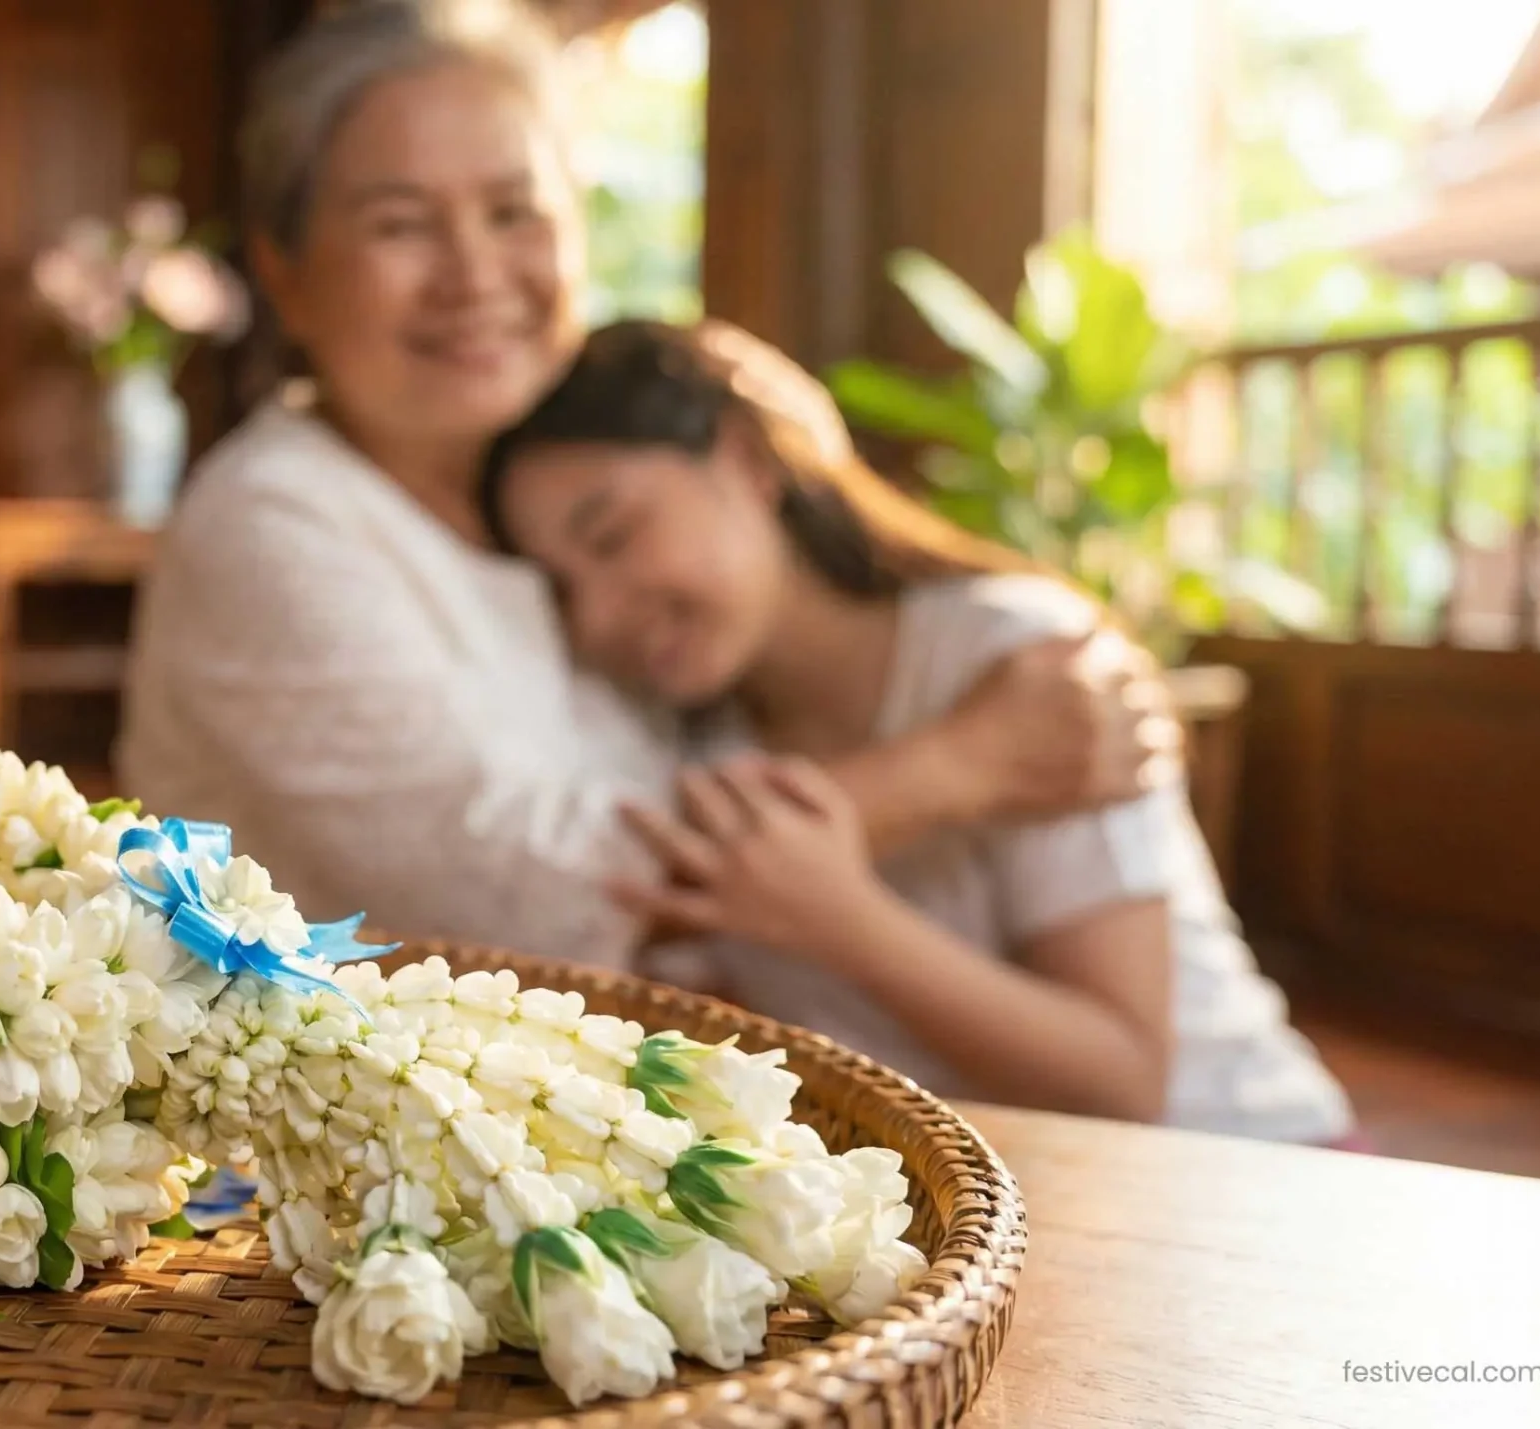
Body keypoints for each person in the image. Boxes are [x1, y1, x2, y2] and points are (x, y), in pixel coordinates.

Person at [119, 0, 1165, 980]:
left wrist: (1049, 661)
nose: (474, 274)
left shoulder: (555, 488)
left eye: (515, 211)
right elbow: (521, 898)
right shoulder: (269, 521)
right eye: (401, 224)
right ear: (285, 272)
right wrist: (962, 763)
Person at [476, 319, 1354, 1143]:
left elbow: (1122, 1081)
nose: (596, 617)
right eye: (559, 589)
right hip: (985, 1197)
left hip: (1248, 1164)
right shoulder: (674, 736)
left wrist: (844, 922)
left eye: (614, 535)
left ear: (747, 460)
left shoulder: (1018, 658)